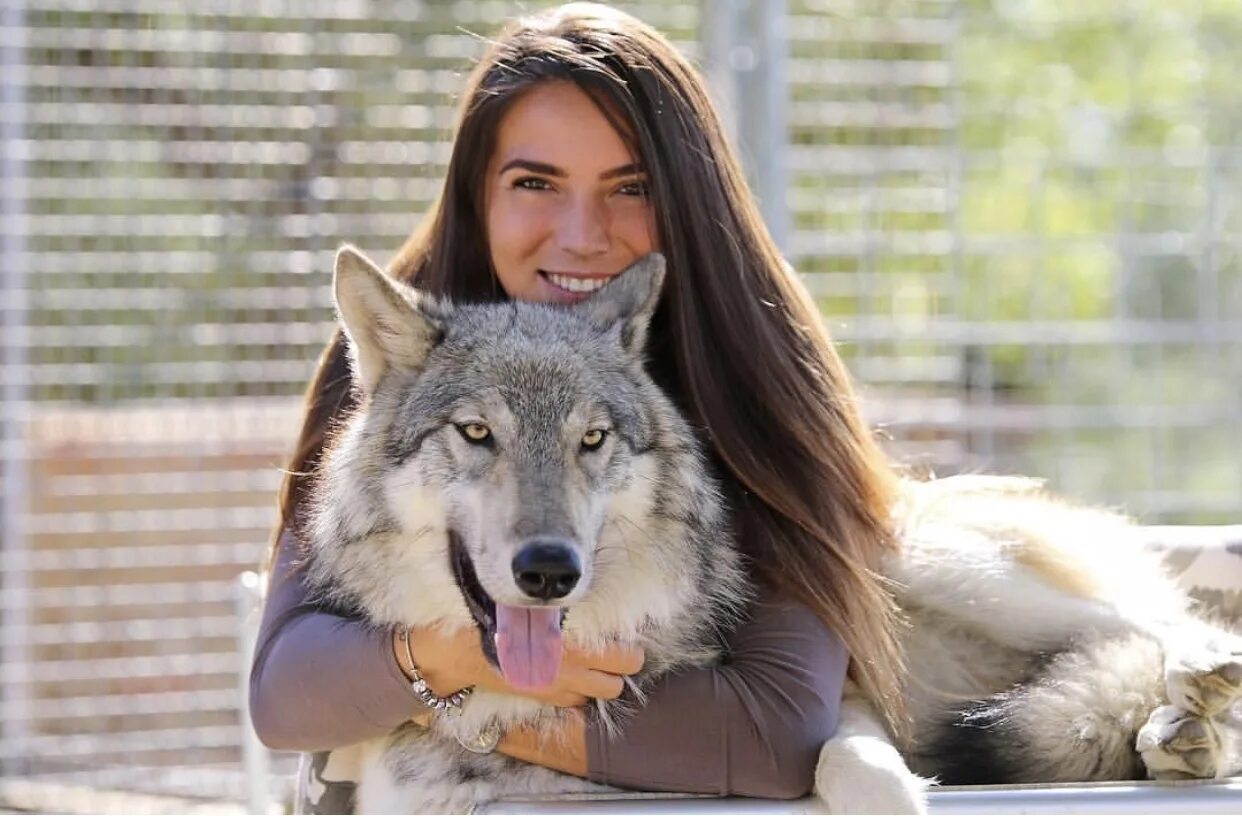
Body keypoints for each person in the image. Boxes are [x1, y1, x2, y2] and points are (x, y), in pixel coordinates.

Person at [249, 1, 906, 806]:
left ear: (687, 199)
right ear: (477, 194)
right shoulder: (402, 351)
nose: (582, 235)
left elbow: (777, 734)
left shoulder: (764, 371)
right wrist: (451, 664)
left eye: (629, 188)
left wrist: (450, 707)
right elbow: (285, 692)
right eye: (536, 183)